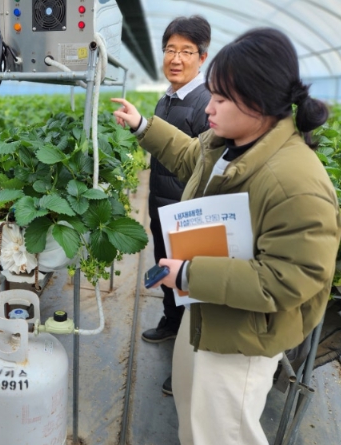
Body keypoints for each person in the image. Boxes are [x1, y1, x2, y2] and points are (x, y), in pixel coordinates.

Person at [113, 27, 340, 445]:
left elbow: (287, 279)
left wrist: (188, 275)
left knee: (222, 433)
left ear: (258, 102)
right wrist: (143, 127)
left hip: (244, 339)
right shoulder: (228, 141)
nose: (209, 106)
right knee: (194, 417)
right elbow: (190, 157)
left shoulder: (296, 182)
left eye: (220, 98)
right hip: (208, 311)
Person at [140, 15, 212, 397]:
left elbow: (205, 168)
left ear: (202, 57)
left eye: (186, 51)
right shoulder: (166, 97)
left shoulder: (206, 104)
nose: (176, 59)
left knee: (188, 286)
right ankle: (170, 322)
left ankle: (186, 363)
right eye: (170, 50)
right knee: (166, 272)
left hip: (188, 216)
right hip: (161, 209)